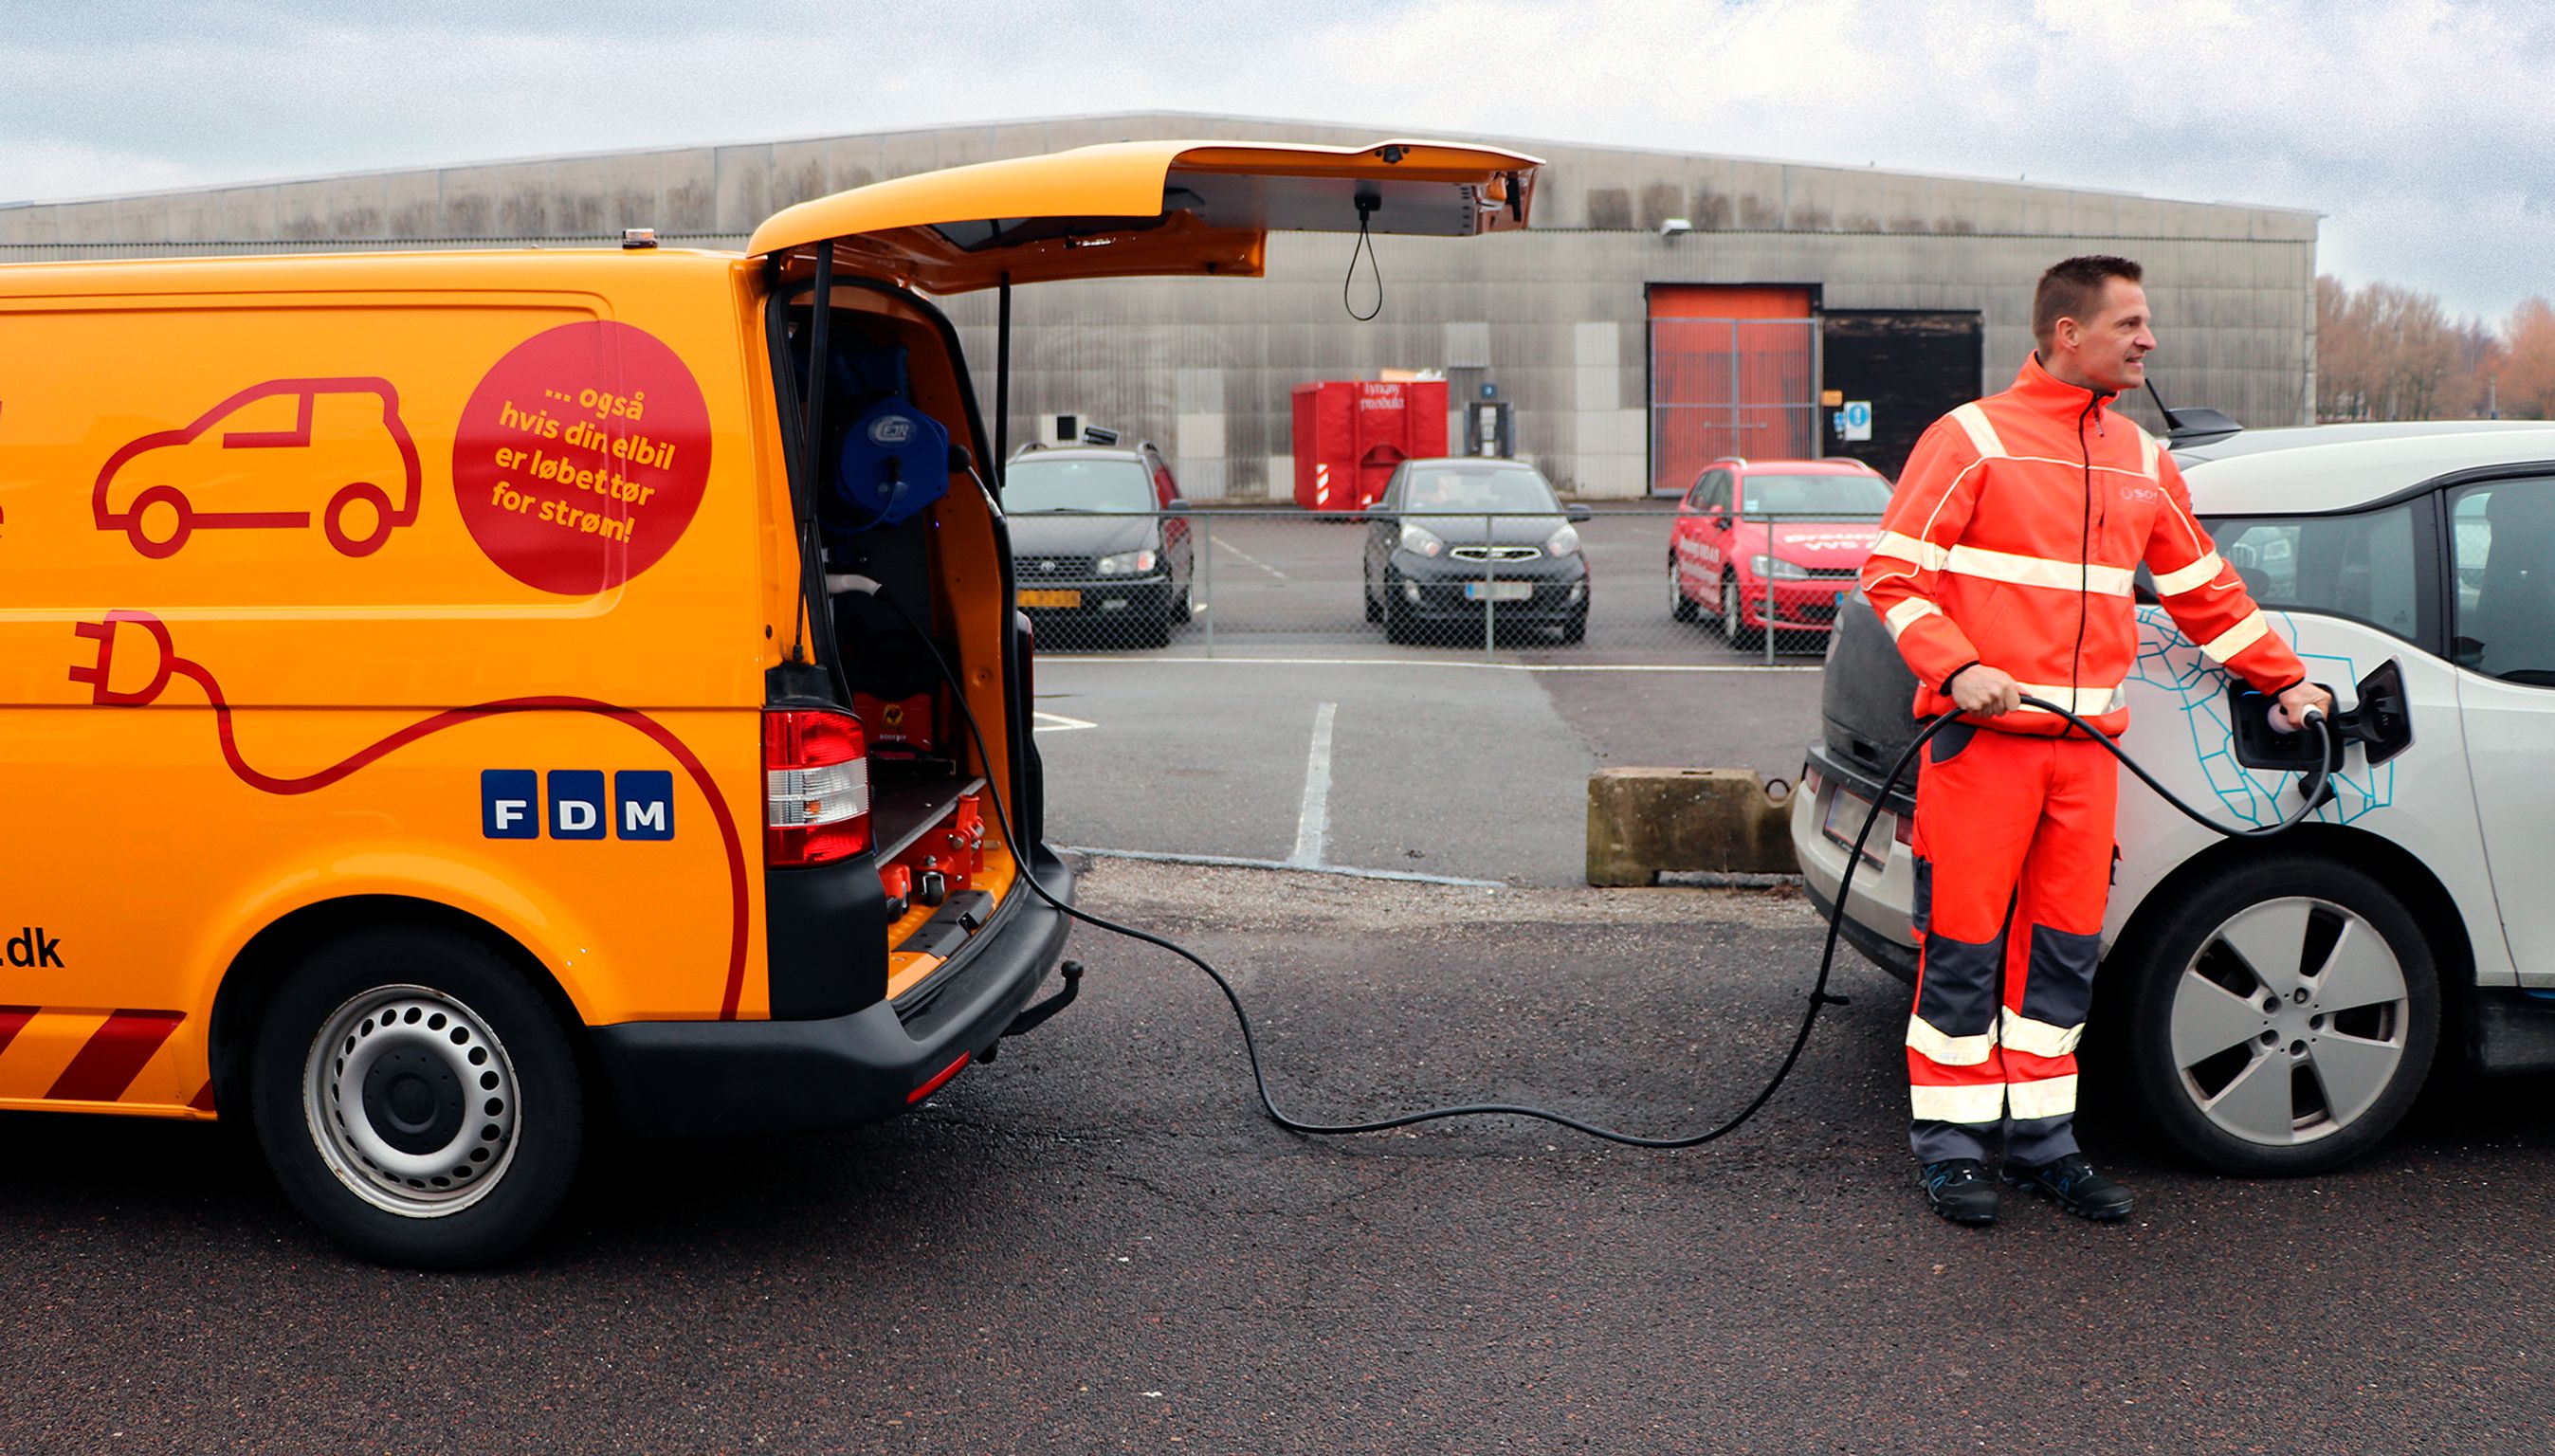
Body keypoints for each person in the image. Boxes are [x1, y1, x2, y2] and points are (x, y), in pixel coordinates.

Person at [1857, 256, 2332, 1227]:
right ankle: (1951, 1151)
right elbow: (1892, 575)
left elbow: (2202, 590)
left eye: (2145, 324)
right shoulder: (1971, 439)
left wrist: (2283, 680)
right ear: (2067, 333)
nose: (2147, 340)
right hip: (1981, 746)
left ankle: (2043, 1145)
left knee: (2062, 957)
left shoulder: (2141, 457)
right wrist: (1956, 666)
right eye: (2129, 324)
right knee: (1962, 951)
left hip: (2083, 759)